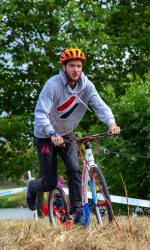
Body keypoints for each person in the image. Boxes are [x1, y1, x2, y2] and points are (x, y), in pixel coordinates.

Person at [25, 48, 121, 225]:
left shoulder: (87, 86)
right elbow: (40, 114)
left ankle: (77, 214)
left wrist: (111, 123)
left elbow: (100, 106)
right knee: (50, 182)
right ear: (64, 67)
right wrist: (51, 132)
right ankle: (32, 186)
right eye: (72, 66)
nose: (76, 69)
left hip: (67, 135)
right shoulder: (52, 86)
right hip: (46, 135)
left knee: (75, 170)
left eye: (79, 66)